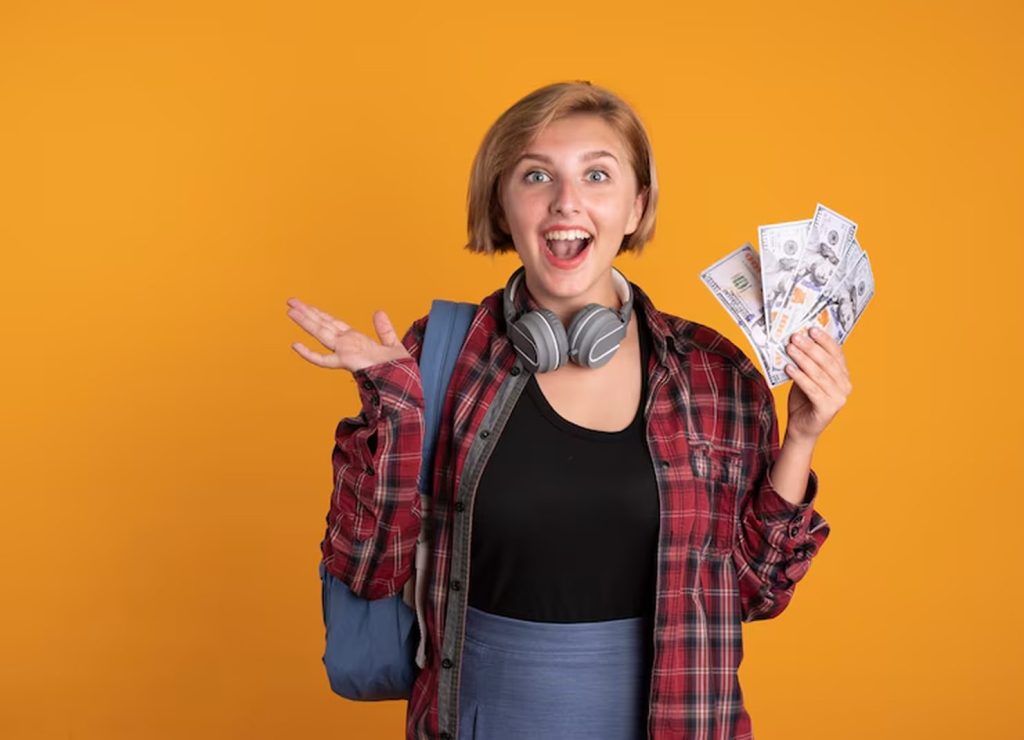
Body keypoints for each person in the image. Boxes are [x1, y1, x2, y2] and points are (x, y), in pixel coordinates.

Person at [287, 80, 848, 740]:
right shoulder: (438, 356)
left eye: (598, 174)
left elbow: (753, 591)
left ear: (636, 206)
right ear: (502, 203)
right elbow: (368, 570)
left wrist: (803, 435)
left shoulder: (714, 374)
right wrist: (393, 411)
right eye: (535, 175)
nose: (566, 202)